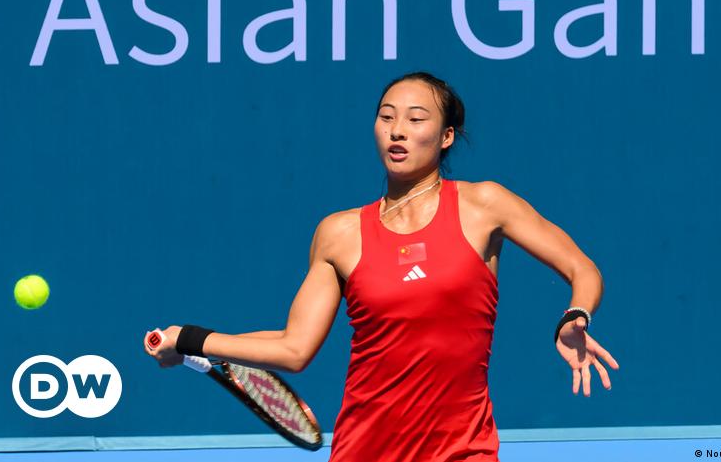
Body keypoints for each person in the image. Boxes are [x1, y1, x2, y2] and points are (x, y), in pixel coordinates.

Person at [145, 71, 619, 461]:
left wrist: (574, 317)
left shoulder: (485, 205)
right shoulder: (339, 233)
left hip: (463, 449)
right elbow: (294, 348)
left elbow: (583, 269)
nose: (398, 130)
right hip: (364, 449)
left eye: (416, 119)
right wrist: (189, 339)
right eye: (386, 117)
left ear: (446, 135)